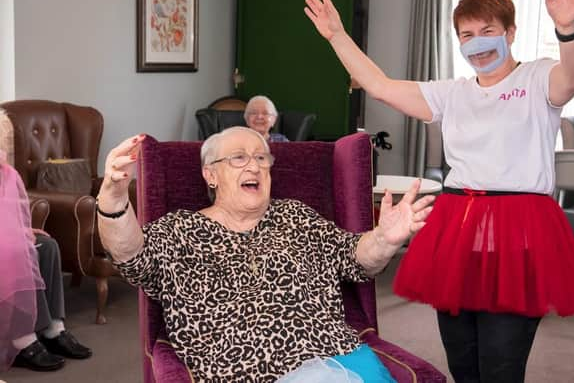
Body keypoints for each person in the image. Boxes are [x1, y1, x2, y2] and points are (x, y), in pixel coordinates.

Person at [304, 0, 574, 383]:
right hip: (458, 228)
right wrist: (337, 36)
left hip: (518, 228)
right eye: (466, 35)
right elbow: (380, 85)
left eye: (488, 32)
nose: (476, 44)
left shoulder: (537, 78)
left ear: (510, 33)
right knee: (463, 360)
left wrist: (568, 28)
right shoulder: (451, 94)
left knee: (501, 363)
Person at [96, 127, 434, 381]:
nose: (254, 167)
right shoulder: (179, 230)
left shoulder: (297, 216)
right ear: (210, 175)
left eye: (262, 158)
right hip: (246, 373)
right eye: (239, 158)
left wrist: (384, 238)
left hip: (340, 358)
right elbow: (129, 254)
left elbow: (356, 258)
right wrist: (112, 195)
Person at [0, 151, 92, 373]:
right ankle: (23, 339)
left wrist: (22, 230)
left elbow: (10, 213)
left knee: (47, 245)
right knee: (15, 252)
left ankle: (53, 328)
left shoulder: (7, 174)